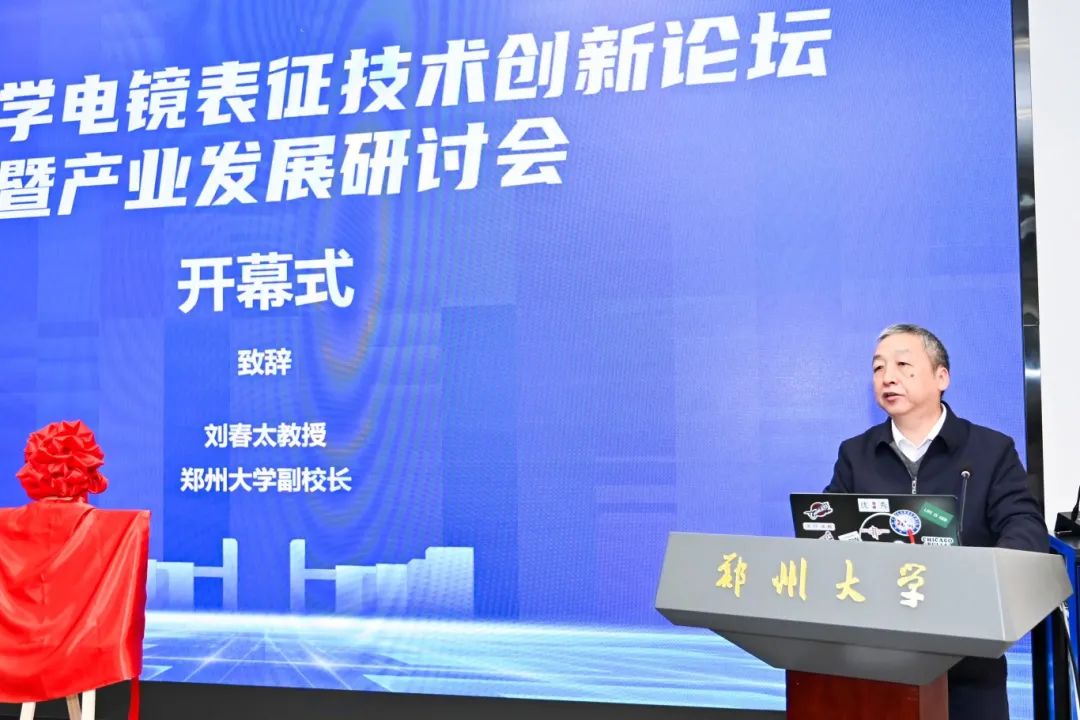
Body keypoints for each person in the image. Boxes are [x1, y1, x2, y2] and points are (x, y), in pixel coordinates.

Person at [824, 323, 1047, 720]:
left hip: (968, 658)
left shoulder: (991, 450)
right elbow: (825, 530)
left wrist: (985, 580)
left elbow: (1024, 526)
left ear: (941, 377)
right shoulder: (855, 455)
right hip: (876, 659)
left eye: (903, 365)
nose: (887, 377)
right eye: (878, 368)